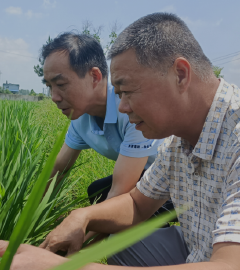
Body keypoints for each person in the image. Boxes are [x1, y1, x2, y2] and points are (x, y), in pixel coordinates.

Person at [0, 13, 240, 270]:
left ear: (180, 74)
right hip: (198, 251)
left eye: (127, 91)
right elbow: (137, 203)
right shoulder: (176, 140)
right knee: (122, 240)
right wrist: (82, 217)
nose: (122, 107)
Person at [41, 32, 171, 216]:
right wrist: (28, 219)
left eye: (61, 84)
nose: (54, 97)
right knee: (97, 191)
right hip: (145, 175)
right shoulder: (80, 116)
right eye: (49, 86)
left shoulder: (130, 108)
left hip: (177, 181)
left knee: (125, 211)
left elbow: (120, 192)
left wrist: (82, 238)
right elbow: (58, 168)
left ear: (94, 76)